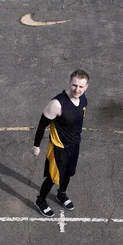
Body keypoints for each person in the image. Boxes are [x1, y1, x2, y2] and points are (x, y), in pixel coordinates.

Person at [32, 70, 89, 217]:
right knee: (52, 177)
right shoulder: (57, 104)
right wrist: (36, 145)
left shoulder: (83, 100)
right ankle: (41, 200)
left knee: (68, 173)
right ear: (69, 83)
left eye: (81, 87)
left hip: (74, 145)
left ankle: (61, 194)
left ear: (86, 87)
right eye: (74, 85)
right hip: (59, 148)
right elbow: (41, 125)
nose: (77, 89)